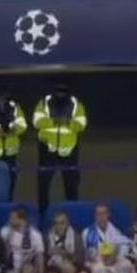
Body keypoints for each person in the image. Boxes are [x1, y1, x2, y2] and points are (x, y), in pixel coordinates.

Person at [33, 83, 87, 214]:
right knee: (43, 186)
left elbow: (82, 124)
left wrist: (68, 122)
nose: (60, 94)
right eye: (58, 91)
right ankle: (43, 214)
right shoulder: (44, 103)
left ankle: (73, 213)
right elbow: (36, 121)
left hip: (69, 150)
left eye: (63, 91)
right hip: (47, 149)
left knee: (72, 186)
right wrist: (55, 121)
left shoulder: (75, 104)